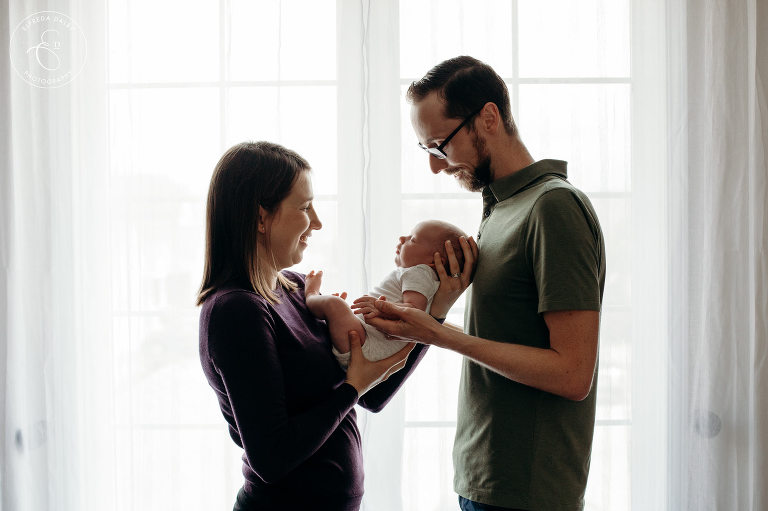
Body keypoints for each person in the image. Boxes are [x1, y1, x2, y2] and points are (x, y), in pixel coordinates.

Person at [364, 56, 606, 511]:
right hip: (484, 478)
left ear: (488, 118)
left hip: (527, 492)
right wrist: (431, 315)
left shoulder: (553, 208)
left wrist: (437, 334)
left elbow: (573, 374)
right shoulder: (499, 209)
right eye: (427, 151)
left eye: (440, 145)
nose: (437, 166)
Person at [196, 141, 476, 510]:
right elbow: (272, 457)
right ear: (260, 217)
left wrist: (434, 312)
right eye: (304, 207)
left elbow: (373, 393)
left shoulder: (295, 288)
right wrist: (352, 387)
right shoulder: (235, 311)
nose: (317, 222)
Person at [305, 220, 468, 368]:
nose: (402, 238)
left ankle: (311, 294)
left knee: (334, 304)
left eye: (412, 239)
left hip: (365, 344)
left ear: (434, 261)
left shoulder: (420, 272)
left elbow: (413, 312)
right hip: (366, 347)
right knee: (337, 308)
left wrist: (380, 308)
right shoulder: (426, 281)